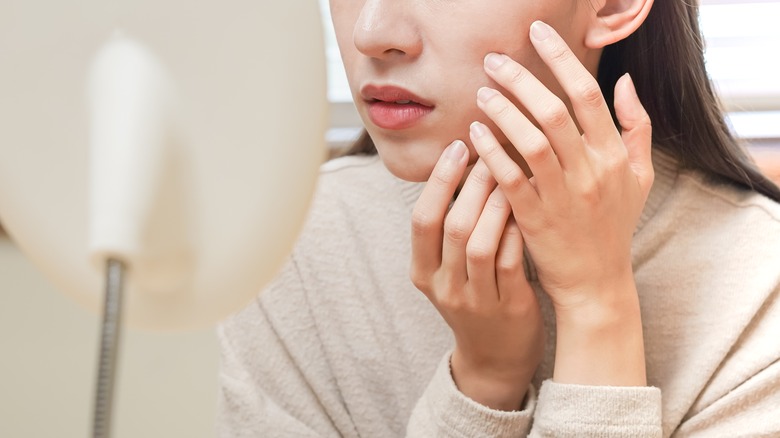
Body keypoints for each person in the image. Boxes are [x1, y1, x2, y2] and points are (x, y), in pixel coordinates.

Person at [217, 0, 780, 436]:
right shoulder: (285, 247)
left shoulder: (760, 287)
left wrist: (597, 306)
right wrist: (484, 381)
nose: (372, 32)